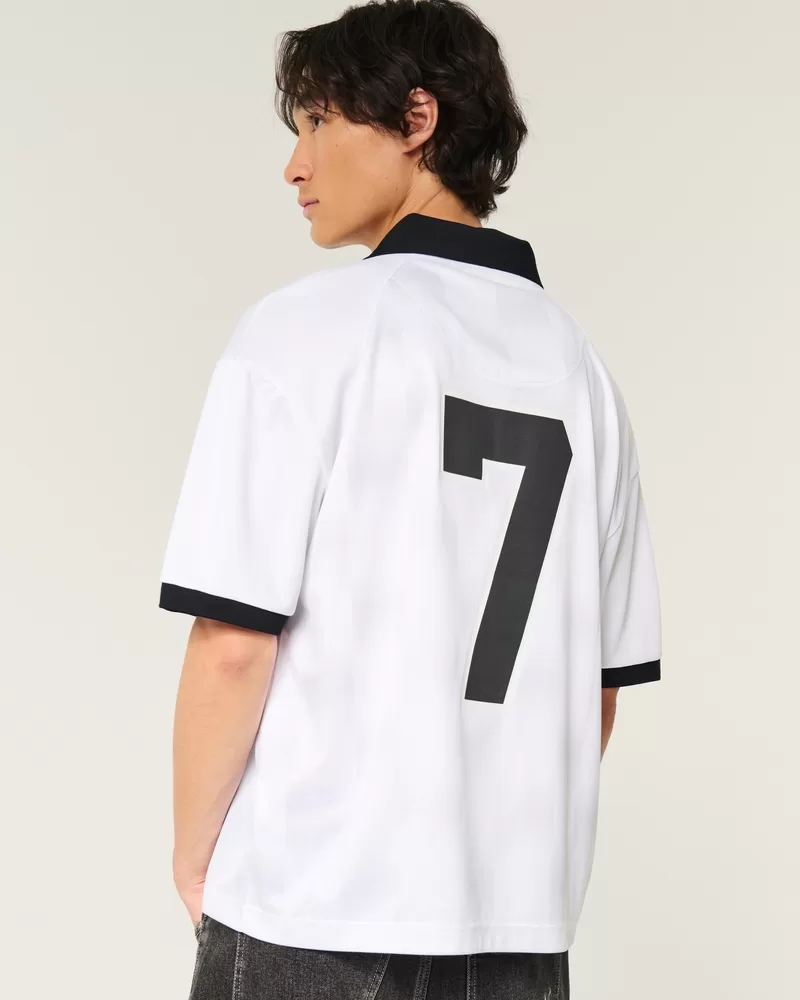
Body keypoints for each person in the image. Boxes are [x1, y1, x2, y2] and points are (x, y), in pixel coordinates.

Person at [158, 1, 662, 997]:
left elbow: (232, 644)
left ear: (416, 120)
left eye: (317, 121)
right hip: (517, 928)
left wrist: (193, 853)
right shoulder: (582, 372)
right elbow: (594, 688)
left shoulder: (303, 332)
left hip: (316, 908)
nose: (294, 164)